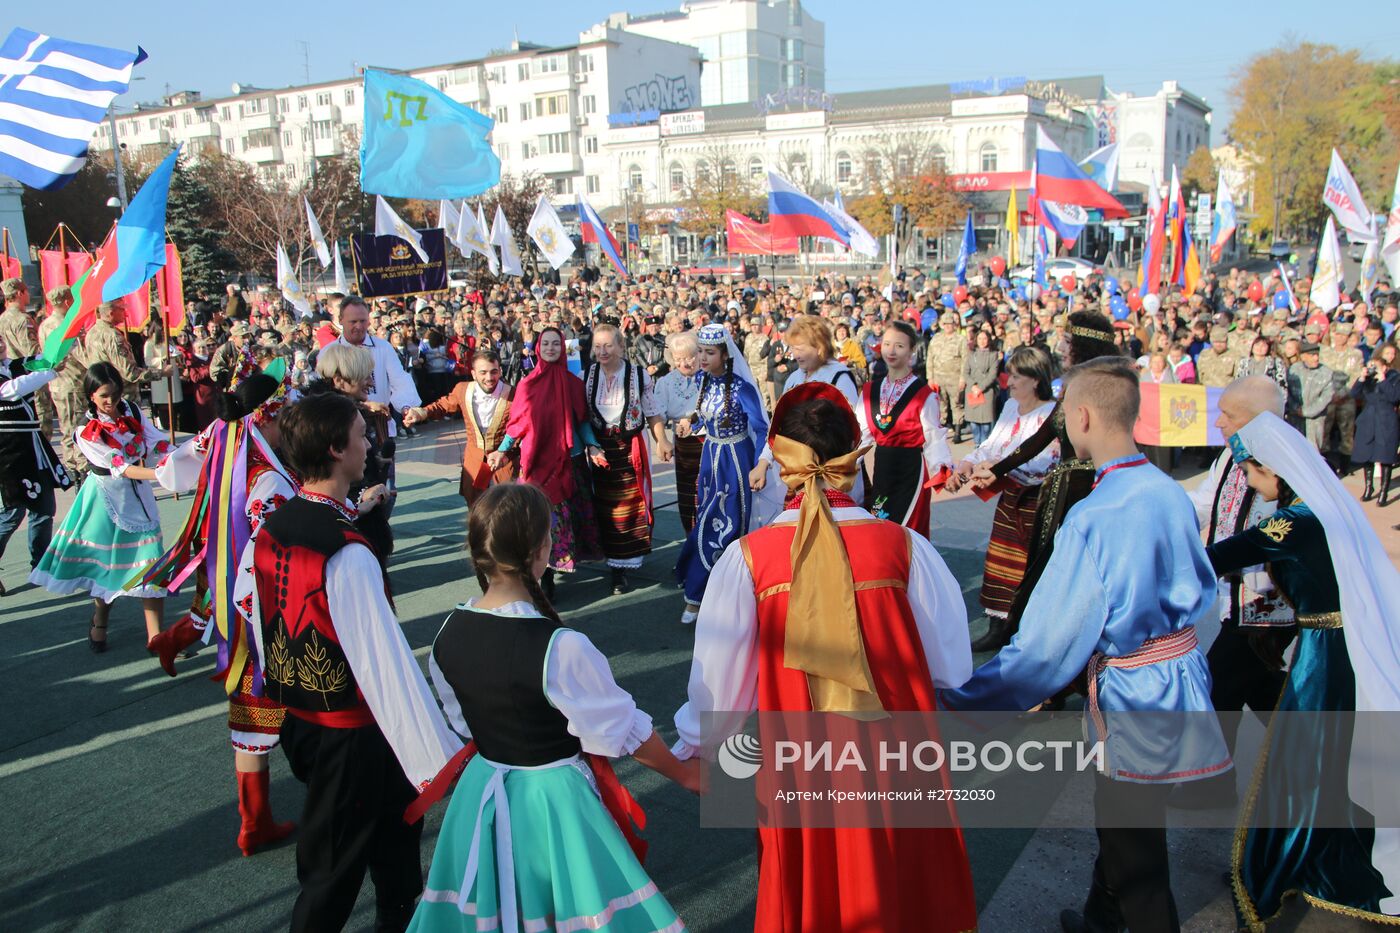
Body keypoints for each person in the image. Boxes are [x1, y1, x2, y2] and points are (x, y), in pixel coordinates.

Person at [673, 383, 978, 933]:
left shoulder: (749, 560)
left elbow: (717, 689)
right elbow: (952, 665)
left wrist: (696, 744)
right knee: (906, 884)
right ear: (851, 463)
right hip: (899, 759)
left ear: (786, 466)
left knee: (812, 887)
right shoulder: (905, 547)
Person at [941, 357, 1230, 933]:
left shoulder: (1094, 515)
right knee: (1126, 818)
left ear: (1081, 416)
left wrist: (965, 698)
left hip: (1133, 690)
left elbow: (1048, 647)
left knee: (1135, 842)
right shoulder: (1167, 490)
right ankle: (1103, 914)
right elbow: (1200, 583)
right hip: (1176, 672)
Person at [407, 483, 701, 932]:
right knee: (572, 904)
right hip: (551, 800)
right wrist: (685, 773)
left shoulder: (447, 631)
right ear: (542, 549)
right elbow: (622, 730)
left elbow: (462, 719)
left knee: (497, 905)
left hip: (482, 790)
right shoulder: (559, 647)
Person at [239, 391, 462, 933]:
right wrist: (442, 753)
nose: (369, 443)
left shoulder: (273, 526)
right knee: (333, 869)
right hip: (353, 732)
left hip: (305, 718)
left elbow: (255, 618)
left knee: (392, 839)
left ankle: (398, 916)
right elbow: (384, 664)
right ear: (338, 450)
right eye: (362, 435)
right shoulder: (346, 550)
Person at [1210, 411, 1400, 928]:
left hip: (1325, 654)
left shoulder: (1291, 521)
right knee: (1326, 759)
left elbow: (1220, 556)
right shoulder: (1320, 510)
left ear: (1275, 470)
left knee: (1302, 763)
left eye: (1251, 471)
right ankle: (1317, 852)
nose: (1247, 480)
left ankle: (1285, 865)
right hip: (1336, 645)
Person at [137, 368, 300, 854]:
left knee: (247, 694)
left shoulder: (223, 437)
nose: (289, 421)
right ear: (266, 419)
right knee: (269, 693)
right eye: (284, 414)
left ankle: (256, 821)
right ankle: (259, 820)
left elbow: (179, 465)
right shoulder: (266, 475)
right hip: (262, 600)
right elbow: (274, 549)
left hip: (225, 568)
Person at [1171, 376, 1295, 811]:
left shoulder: (1290, 460)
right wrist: (1164, 510)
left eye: (1230, 414)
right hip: (1235, 596)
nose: (1219, 422)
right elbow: (1206, 502)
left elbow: (1275, 536)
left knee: (1218, 685)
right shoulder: (1230, 455)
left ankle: (1213, 785)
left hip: (1267, 604)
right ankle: (1311, 759)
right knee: (1261, 691)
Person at [966, 312, 1122, 652]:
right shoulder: (1074, 384)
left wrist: (1003, 466)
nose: (1062, 348)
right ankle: (1022, 635)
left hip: (1086, 489)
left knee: (1066, 567)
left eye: (1067, 342)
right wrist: (1000, 468)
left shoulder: (1101, 387)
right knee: (1039, 564)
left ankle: (1064, 647)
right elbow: (1044, 434)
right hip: (1063, 488)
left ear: (1083, 345)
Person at [30, 363, 170, 653]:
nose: (111, 401)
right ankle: (100, 620)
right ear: (91, 395)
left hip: (139, 496)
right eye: (105, 395)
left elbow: (155, 442)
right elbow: (119, 467)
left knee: (152, 564)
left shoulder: (131, 409)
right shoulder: (85, 430)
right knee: (107, 570)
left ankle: (156, 639)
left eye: (116, 394)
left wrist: (186, 454)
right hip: (106, 498)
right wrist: (162, 475)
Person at [947, 346, 1059, 644]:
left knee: (1031, 564)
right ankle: (998, 626)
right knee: (1000, 561)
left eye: (1017, 376)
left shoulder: (1051, 413)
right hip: (1010, 498)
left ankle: (1030, 628)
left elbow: (1045, 461)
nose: (1008, 381)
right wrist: (968, 462)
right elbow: (992, 444)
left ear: (1036, 380)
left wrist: (997, 466)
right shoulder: (1010, 407)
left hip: (1038, 502)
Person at [486, 326, 602, 599]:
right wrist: (502, 451)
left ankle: (563, 565)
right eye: (546, 344)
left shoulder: (574, 383)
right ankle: (544, 576)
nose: (551, 348)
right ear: (538, 348)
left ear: (563, 348)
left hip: (570, 462)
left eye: (556, 344)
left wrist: (593, 446)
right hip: (537, 463)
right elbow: (517, 426)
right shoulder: (528, 384)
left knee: (569, 518)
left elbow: (581, 422)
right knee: (540, 520)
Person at [674, 323, 772, 624]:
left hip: (735, 461)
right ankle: (707, 590)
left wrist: (758, 465)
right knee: (706, 517)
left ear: (725, 354)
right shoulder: (704, 381)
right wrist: (693, 425)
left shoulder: (742, 389)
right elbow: (706, 417)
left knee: (727, 525)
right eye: (700, 351)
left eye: (709, 352)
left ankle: (703, 593)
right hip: (710, 459)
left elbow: (761, 427)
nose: (702, 358)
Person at [583, 323, 671, 595]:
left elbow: (652, 412)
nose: (603, 351)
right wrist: (590, 446)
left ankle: (624, 563)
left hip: (630, 447)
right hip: (600, 451)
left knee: (631, 506)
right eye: (598, 346)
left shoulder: (639, 375)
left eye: (608, 345)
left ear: (621, 346)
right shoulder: (585, 375)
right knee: (606, 508)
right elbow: (581, 417)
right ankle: (615, 569)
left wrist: (662, 440)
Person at [855, 320, 952, 539]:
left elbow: (933, 437)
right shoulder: (870, 391)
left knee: (909, 532)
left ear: (911, 351)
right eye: (887, 344)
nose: (891, 350)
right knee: (882, 525)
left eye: (899, 346)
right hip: (883, 466)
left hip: (911, 470)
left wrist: (943, 469)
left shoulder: (923, 394)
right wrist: (843, 463)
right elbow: (861, 436)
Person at [308, 344, 395, 567]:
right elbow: (328, 477)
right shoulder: (330, 422)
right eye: (364, 377)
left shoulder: (333, 412)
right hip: (348, 531)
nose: (372, 382)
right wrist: (361, 497)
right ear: (339, 381)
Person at [0, 347, 72, 596]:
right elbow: (15, 389)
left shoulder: (15, 365)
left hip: (34, 445)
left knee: (44, 508)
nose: (0, 345)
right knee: (13, 513)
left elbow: (42, 359)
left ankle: (41, 564)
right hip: (9, 451)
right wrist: (49, 372)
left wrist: (67, 338)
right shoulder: (11, 378)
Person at [403, 350, 516, 506]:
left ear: (500, 371)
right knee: (476, 507)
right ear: (474, 374)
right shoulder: (463, 390)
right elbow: (443, 405)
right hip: (474, 459)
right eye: (483, 373)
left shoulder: (513, 394)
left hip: (504, 460)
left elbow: (520, 428)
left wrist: (506, 452)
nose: (489, 378)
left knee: (507, 506)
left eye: (494, 372)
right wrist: (421, 413)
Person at [653, 331, 703, 532]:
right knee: (687, 494)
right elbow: (657, 413)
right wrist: (661, 440)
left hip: (708, 443)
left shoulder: (709, 378)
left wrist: (693, 419)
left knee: (707, 493)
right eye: (679, 359)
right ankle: (690, 541)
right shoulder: (666, 382)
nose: (685, 363)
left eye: (690, 357)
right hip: (683, 445)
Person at [1350, 345, 1400, 505]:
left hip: (1386, 419)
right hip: (1368, 419)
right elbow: (1354, 394)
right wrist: (1362, 378)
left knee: (1385, 455)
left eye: (1376, 367)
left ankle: (1383, 492)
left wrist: (1383, 380)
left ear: (1385, 367)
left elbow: (1394, 397)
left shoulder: (1394, 377)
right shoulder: (1368, 379)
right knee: (1367, 454)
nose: (1373, 369)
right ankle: (1369, 487)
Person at [926, 310, 968, 442]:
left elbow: (965, 360)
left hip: (954, 378)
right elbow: (930, 358)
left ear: (954, 325)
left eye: (950, 324)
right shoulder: (936, 338)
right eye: (945, 324)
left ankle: (957, 432)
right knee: (940, 405)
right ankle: (941, 430)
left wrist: (963, 378)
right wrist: (930, 377)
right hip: (939, 378)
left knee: (957, 405)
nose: (948, 326)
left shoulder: (961, 339)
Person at [1287, 341, 1333, 449]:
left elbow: (1326, 396)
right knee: (1294, 447)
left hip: (1315, 419)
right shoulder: (1293, 370)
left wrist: (1307, 412)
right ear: (1303, 356)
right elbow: (1286, 391)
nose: (1316, 358)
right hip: (1295, 416)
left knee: (1313, 449)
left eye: (1317, 355)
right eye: (1312, 355)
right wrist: (1295, 408)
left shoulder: (1326, 373)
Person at [962, 328, 999, 446]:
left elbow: (993, 375)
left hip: (986, 391)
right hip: (972, 391)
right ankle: (977, 444)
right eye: (980, 338)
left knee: (986, 424)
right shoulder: (971, 354)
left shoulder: (993, 355)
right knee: (974, 422)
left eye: (985, 338)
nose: (982, 341)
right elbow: (966, 372)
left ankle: (984, 445)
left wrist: (980, 387)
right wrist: (973, 385)